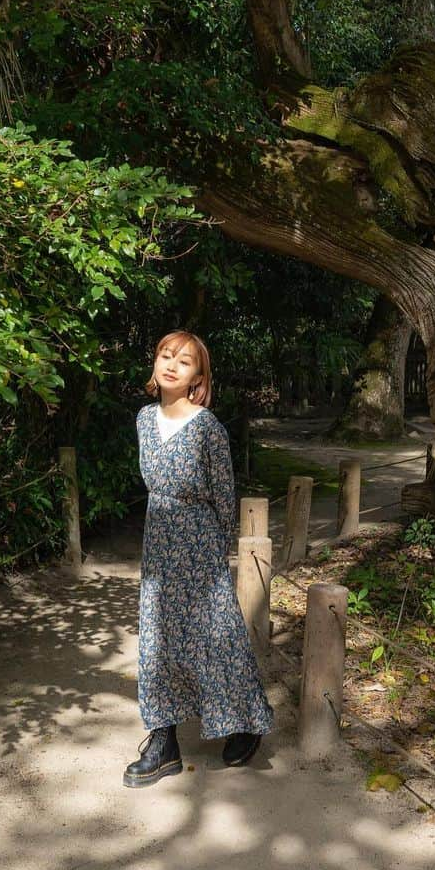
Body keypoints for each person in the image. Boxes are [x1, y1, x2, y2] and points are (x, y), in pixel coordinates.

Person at [124, 329, 275, 788]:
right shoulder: (143, 419)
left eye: (184, 361)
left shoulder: (208, 429)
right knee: (157, 637)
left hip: (199, 542)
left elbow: (224, 497)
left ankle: (246, 720)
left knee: (215, 635)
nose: (171, 364)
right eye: (165, 355)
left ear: (198, 377)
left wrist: (215, 553)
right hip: (158, 543)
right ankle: (164, 740)